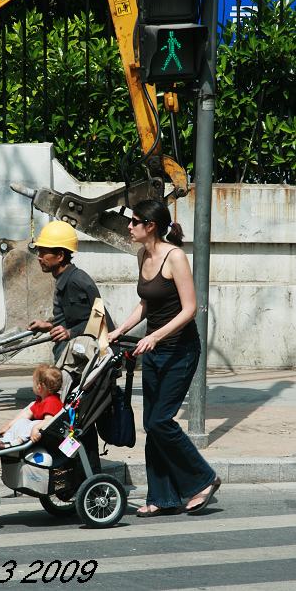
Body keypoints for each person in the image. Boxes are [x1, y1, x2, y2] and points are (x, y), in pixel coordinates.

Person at [107, 199, 220, 517]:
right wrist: (121, 329)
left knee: (160, 421)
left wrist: (155, 335)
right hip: (154, 351)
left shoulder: (175, 257)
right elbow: (146, 303)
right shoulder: (143, 255)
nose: (129, 227)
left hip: (180, 351)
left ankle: (203, 479)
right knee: (151, 425)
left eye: (134, 222)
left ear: (150, 226)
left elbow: (190, 308)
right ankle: (163, 497)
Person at [28, 220, 114, 472]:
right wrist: (49, 325)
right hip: (69, 358)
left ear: (60, 255)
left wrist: (69, 331)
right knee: (73, 423)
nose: (39, 257)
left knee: (75, 421)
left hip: (80, 366)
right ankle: (80, 472)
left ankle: (85, 473)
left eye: (44, 252)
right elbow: (76, 317)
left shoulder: (76, 281)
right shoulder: (66, 278)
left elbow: (98, 319)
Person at [0, 364, 63, 448]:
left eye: (34, 383)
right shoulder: (40, 400)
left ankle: (18, 441)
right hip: (37, 430)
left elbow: (50, 420)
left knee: (33, 423)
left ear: (39, 387)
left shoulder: (52, 401)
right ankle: (5, 439)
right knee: (21, 421)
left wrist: (36, 428)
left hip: (47, 434)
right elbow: (26, 414)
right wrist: (8, 426)